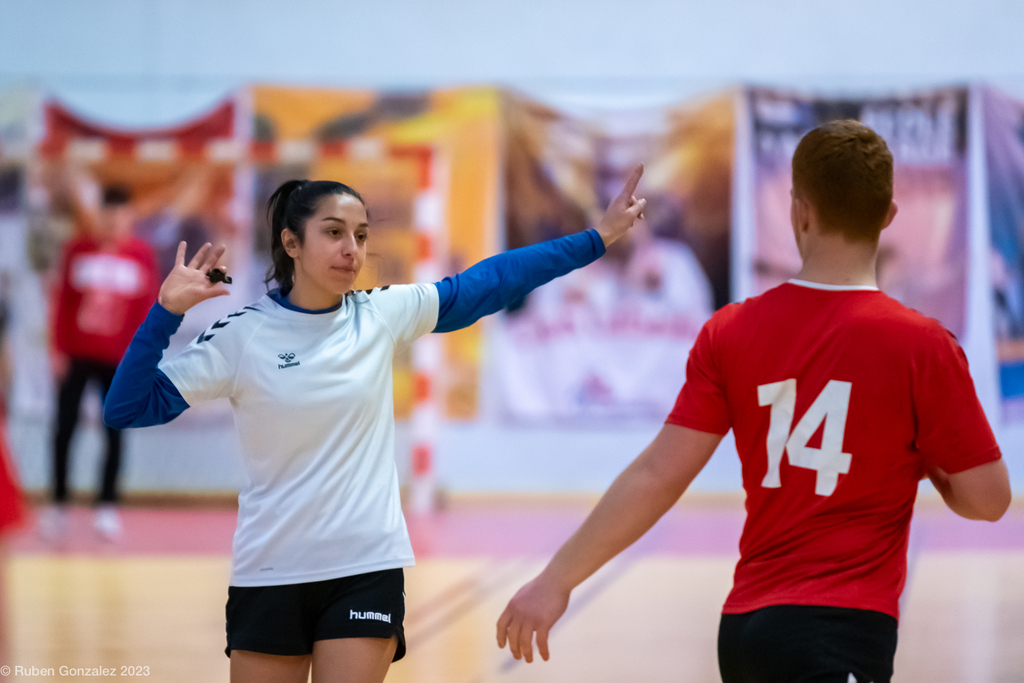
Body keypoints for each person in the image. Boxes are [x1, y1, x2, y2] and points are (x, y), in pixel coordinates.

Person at [495, 121, 1012, 683]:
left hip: (746, 630)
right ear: (888, 215)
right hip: (842, 629)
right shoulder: (924, 347)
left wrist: (556, 580)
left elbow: (656, 475)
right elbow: (988, 501)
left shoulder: (731, 331)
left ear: (799, 212)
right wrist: (928, 464)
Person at [103, 169, 647, 683]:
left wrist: (597, 238)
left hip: (365, 567)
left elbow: (492, 281)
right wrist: (165, 313)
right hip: (269, 571)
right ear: (291, 243)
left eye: (361, 235)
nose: (352, 249)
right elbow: (126, 408)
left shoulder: (379, 314)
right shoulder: (241, 336)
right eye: (333, 233)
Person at [41, 184, 159, 541]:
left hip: (119, 362)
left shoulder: (141, 256)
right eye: (107, 216)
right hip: (77, 355)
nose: (113, 223)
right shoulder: (77, 251)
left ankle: (107, 505)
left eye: (120, 216)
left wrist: (141, 360)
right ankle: (58, 503)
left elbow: (147, 312)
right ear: (100, 216)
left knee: (115, 431)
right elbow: (62, 303)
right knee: (64, 428)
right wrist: (57, 350)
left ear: (129, 218)